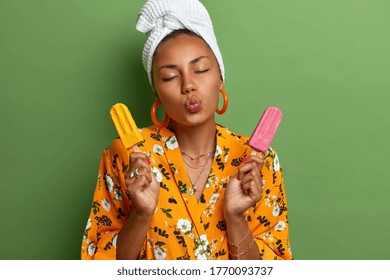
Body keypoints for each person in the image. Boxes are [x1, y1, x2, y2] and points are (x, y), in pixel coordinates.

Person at [81, 0, 293, 260]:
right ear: (156, 92)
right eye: (170, 77)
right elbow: (97, 264)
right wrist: (141, 214)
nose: (188, 85)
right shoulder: (127, 156)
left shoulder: (260, 163)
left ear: (220, 77)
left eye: (201, 69)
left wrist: (236, 217)